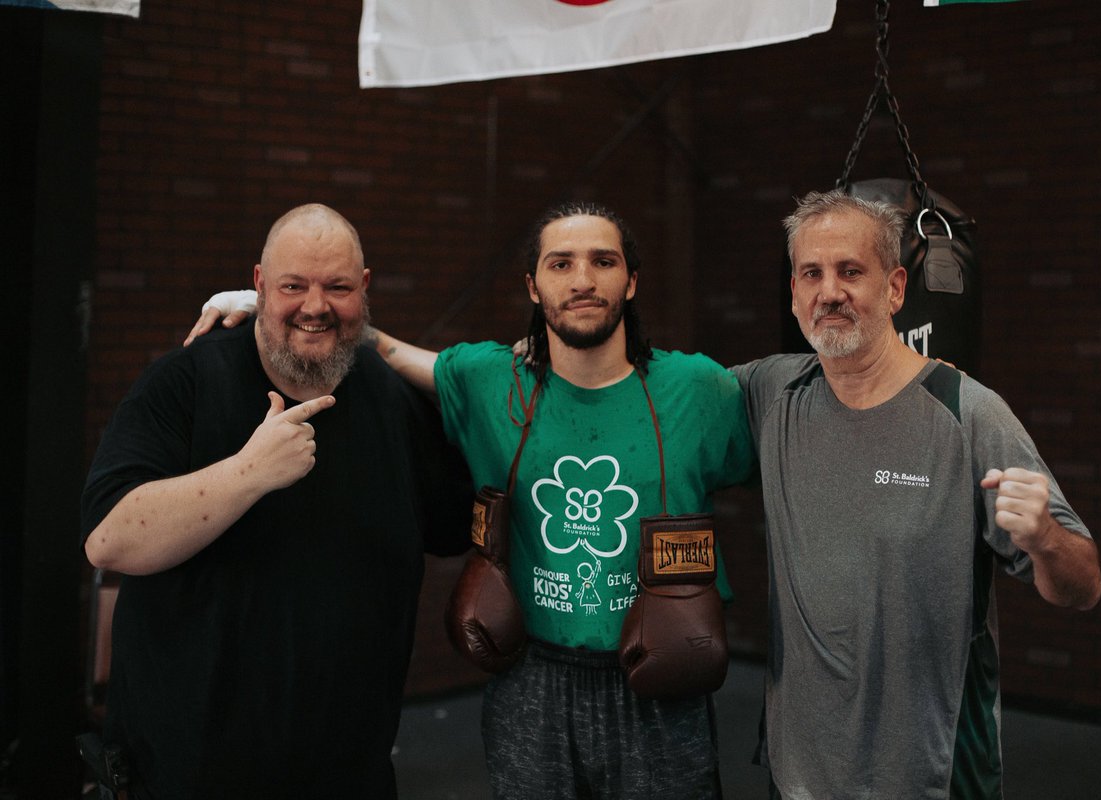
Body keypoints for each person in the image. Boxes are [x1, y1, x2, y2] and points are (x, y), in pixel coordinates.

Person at [190, 201, 757, 799]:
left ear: (632, 280)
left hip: (660, 684)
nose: (583, 280)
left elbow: (763, 460)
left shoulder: (699, 389)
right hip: (531, 680)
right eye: (561, 263)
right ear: (534, 287)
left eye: (604, 261)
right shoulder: (491, 380)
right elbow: (380, 347)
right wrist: (270, 306)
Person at [81, 203, 473, 799]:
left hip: (351, 775)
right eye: (293, 285)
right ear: (260, 285)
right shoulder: (185, 382)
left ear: (363, 291)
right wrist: (247, 474)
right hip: (190, 776)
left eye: (337, 286)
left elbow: (456, 522)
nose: (315, 307)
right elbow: (110, 538)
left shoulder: (392, 400)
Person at [732, 190, 1101, 799]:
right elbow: (657, 385)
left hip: (932, 776)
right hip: (798, 775)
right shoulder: (773, 393)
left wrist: (1043, 539)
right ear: (795, 294)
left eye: (852, 271)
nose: (830, 292)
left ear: (897, 288)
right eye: (811, 274)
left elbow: (1083, 587)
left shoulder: (970, 414)